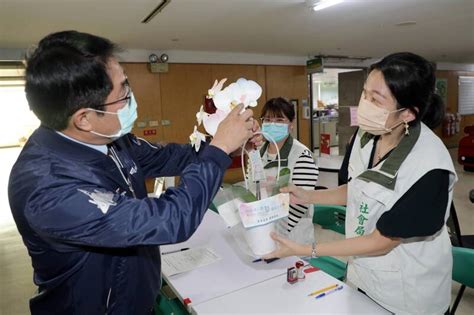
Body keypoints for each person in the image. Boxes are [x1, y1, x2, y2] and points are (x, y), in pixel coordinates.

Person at [8, 31, 259, 314]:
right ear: (85, 118)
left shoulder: (111, 139)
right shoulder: (47, 189)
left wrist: (227, 145)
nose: (131, 97)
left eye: (127, 83)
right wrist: (219, 149)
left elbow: (168, 157)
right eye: (123, 92)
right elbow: (171, 220)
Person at [263, 52, 457, 315]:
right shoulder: (367, 135)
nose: (364, 104)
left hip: (407, 294)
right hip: (363, 277)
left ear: (408, 113)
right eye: (365, 94)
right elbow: (358, 188)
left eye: (375, 99)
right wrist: (308, 196)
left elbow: (382, 241)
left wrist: (305, 249)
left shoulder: (429, 167)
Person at [259, 97, 319, 244]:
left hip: (292, 237)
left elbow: (301, 202)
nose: (272, 124)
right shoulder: (258, 152)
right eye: (267, 119)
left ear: (291, 124)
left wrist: (274, 234)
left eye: (279, 120)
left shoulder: (301, 155)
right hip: (262, 229)